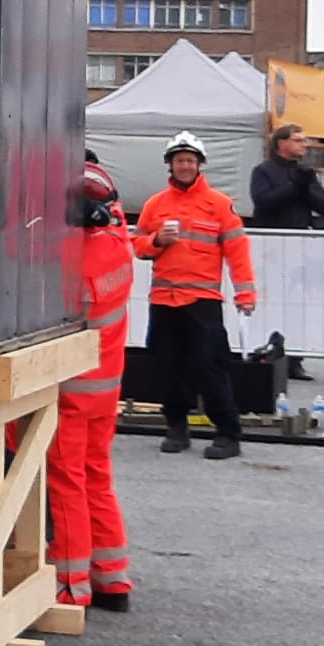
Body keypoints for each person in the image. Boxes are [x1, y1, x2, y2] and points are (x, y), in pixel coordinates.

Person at [134, 131, 256, 460]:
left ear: (200, 165)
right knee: (168, 368)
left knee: (209, 367)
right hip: (164, 302)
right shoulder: (155, 205)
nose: (185, 166)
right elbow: (138, 247)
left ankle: (228, 433)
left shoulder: (218, 205)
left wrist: (245, 293)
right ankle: (176, 427)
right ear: (170, 165)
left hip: (203, 303)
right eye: (179, 161)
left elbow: (237, 252)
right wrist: (157, 240)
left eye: (190, 160)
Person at [52, 159, 133, 612]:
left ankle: (71, 582)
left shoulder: (74, 261)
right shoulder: (118, 241)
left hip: (74, 391)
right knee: (98, 478)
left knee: (66, 483)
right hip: (107, 388)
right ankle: (112, 578)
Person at [249, 122, 324, 382]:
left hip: (300, 249)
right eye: (298, 140)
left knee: (297, 306)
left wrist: (305, 187)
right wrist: (295, 187)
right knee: (269, 302)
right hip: (272, 249)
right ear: (281, 143)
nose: (303, 144)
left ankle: (295, 359)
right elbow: (264, 202)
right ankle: (264, 351)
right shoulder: (263, 171)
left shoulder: (305, 174)